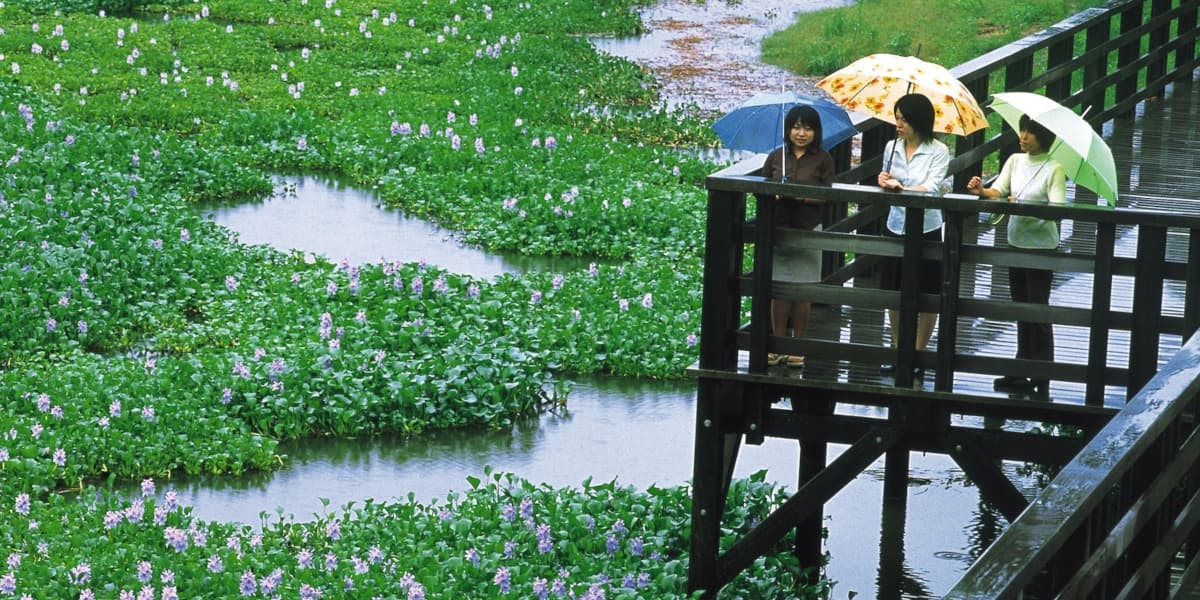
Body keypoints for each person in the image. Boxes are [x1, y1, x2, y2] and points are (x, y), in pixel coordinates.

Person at [968, 114, 1067, 393]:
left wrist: (1022, 204)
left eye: (1030, 133)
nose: (1023, 137)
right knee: (1020, 307)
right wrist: (981, 191)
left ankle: (1042, 370)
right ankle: (1021, 365)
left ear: (1043, 137)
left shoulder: (1054, 167)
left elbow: (1058, 208)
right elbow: (999, 191)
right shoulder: (1014, 160)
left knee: (1037, 308)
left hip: (1041, 247)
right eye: (1022, 131)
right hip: (1016, 242)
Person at [877, 93, 949, 377]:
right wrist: (884, 181)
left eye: (904, 119)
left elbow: (932, 187)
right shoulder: (891, 146)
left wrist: (901, 187)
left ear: (919, 121)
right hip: (896, 224)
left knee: (927, 289)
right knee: (894, 289)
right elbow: (885, 178)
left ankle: (918, 351)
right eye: (896, 118)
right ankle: (899, 348)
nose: (898, 124)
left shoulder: (938, 150)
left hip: (928, 227)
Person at [759, 105, 836, 368]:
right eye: (796, 127)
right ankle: (777, 345)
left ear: (816, 132)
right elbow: (760, 188)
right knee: (779, 290)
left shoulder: (824, 159)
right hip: (779, 228)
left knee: (803, 291)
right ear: (788, 130)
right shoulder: (776, 157)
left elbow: (827, 195)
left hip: (808, 228)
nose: (801, 133)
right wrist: (774, 193)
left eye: (807, 128)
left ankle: (798, 347)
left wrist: (801, 195)